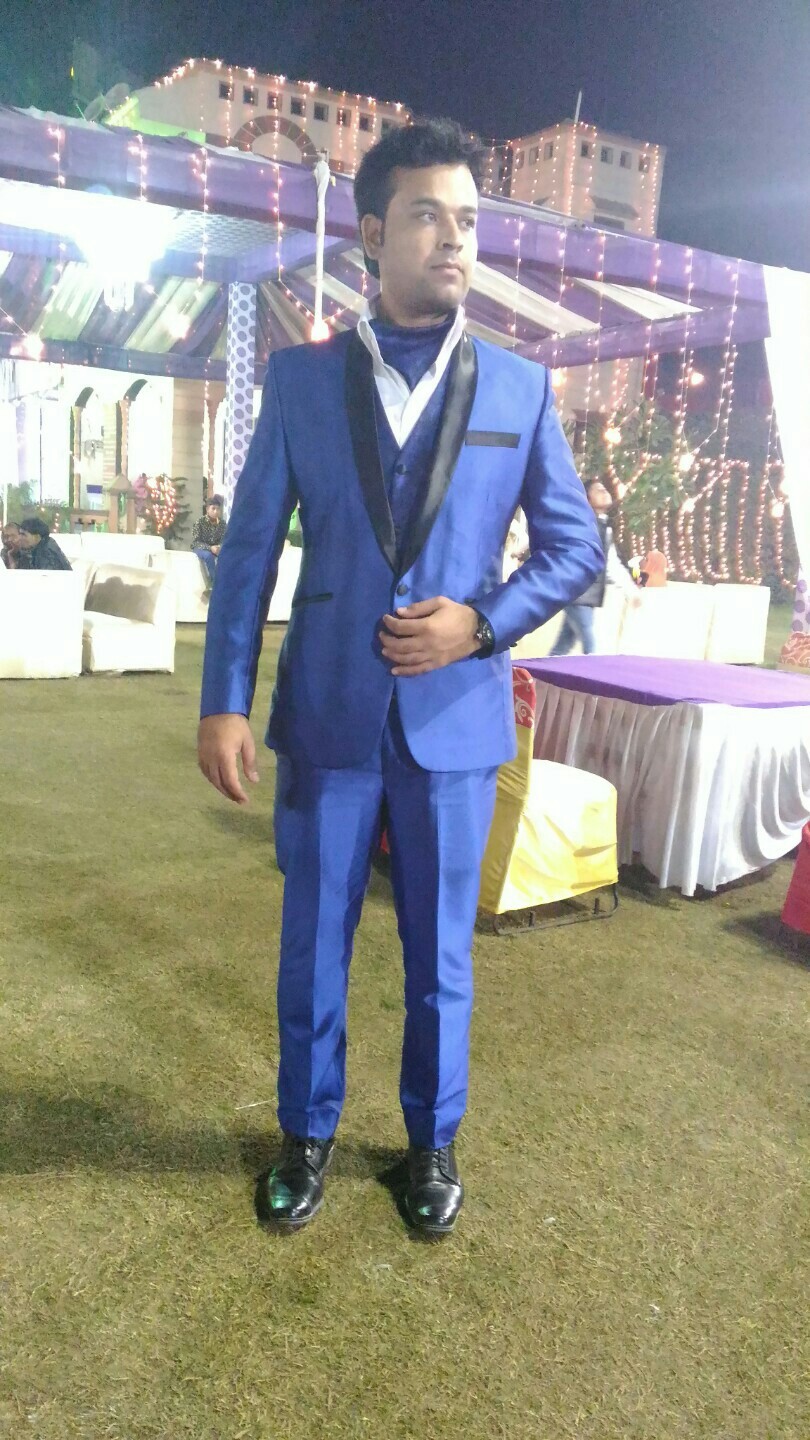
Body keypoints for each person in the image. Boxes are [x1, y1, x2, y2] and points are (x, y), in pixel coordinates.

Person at [198, 118, 603, 1238]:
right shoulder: (299, 380)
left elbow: (576, 549)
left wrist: (483, 623)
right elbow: (248, 553)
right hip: (329, 711)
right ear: (373, 235)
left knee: (440, 956)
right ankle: (306, 1134)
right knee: (312, 945)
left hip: (454, 721)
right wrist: (224, 700)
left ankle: (432, 1144)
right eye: (428, 216)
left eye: (467, 219)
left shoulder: (521, 388)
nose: (454, 238)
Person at [550, 479, 638, 655]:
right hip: (576, 591)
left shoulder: (603, 527)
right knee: (591, 644)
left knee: (563, 645)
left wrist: (631, 591)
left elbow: (611, 564)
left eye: (604, 489)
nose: (604, 492)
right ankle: (592, 672)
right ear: (587, 498)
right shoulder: (580, 523)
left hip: (586, 595)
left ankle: (538, 670)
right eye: (598, 490)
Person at [191, 495, 227, 585]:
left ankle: (226, 581)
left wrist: (220, 547)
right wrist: (210, 548)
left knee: (227, 555)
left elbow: (224, 538)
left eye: (218, 509)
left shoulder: (222, 524)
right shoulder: (200, 522)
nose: (216, 511)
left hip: (216, 548)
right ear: (207, 509)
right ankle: (214, 583)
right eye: (213, 508)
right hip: (200, 548)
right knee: (208, 556)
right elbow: (196, 542)